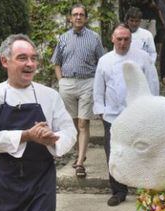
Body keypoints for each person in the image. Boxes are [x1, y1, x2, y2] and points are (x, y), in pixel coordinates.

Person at [0, 34, 77, 211]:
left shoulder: (49, 96)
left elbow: (70, 131)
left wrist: (52, 139)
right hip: (4, 184)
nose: (30, 64)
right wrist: (26, 135)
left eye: (33, 58)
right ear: (4, 61)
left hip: (41, 182)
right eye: (22, 58)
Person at [93, 24, 159, 206]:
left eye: (126, 39)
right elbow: (98, 88)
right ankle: (118, 191)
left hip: (137, 115)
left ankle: (145, 190)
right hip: (112, 116)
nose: (122, 43)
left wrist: (152, 108)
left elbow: (152, 82)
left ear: (131, 39)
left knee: (142, 152)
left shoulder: (143, 57)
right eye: (119, 39)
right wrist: (100, 110)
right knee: (114, 154)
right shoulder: (104, 60)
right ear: (112, 39)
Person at [51, 3, 105, 178]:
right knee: (73, 124)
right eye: (75, 14)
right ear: (70, 18)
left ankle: (80, 162)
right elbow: (56, 62)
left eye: (82, 14)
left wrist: (97, 84)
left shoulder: (94, 38)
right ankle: (78, 153)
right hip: (67, 84)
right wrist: (61, 82)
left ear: (86, 18)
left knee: (83, 123)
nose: (78, 17)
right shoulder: (63, 38)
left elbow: (101, 62)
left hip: (87, 83)